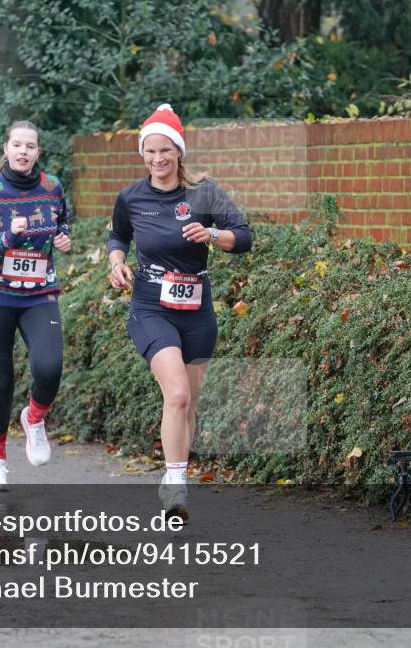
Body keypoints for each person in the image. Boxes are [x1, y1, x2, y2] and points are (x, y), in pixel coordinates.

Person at [106, 104, 252, 519]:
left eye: (165, 151)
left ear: (179, 152)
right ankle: (175, 484)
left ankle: (175, 472)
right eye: (149, 152)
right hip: (151, 308)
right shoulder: (131, 197)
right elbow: (117, 236)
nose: (157, 160)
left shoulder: (204, 193)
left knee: (187, 404)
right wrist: (117, 263)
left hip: (197, 313)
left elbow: (243, 238)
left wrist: (212, 233)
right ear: (142, 154)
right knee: (178, 394)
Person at [0, 120, 72, 490]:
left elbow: (61, 224)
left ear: (39, 152)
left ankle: (35, 418)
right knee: (1, 382)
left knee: (50, 367)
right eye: (17, 145)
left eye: (30, 146)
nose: (23, 151)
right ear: (6, 149)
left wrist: (64, 238)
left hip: (39, 293)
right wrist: (6, 238)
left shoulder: (52, 186)